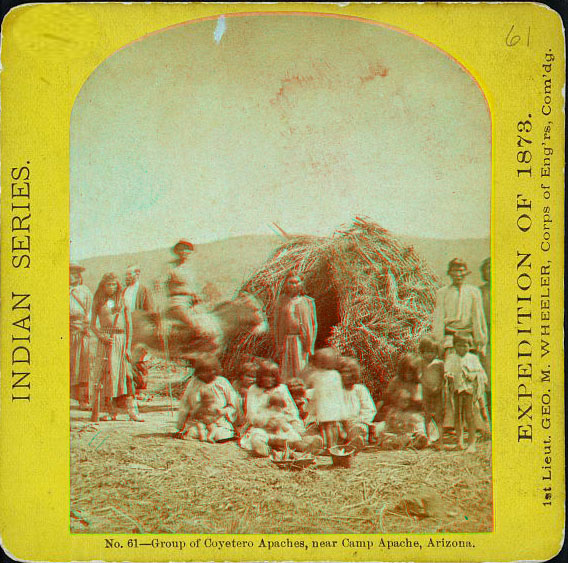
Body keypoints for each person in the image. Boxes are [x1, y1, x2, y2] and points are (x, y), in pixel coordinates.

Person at [240, 360, 322, 457]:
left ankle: (303, 445)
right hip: (261, 426)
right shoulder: (253, 389)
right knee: (258, 435)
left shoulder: (281, 388)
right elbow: (251, 415)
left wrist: (296, 427)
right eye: (265, 376)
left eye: (272, 376)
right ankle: (261, 447)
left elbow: (291, 411)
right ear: (260, 376)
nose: (268, 379)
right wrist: (266, 422)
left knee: (292, 436)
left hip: (281, 424)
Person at [90, 273, 143, 423]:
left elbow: (129, 326)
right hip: (106, 341)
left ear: (117, 285)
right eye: (108, 285)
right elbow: (92, 325)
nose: (111, 287)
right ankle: (111, 411)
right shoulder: (98, 302)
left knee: (126, 375)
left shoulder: (122, 301)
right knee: (108, 376)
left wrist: (127, 347)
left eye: (113, 284)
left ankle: (132, 411)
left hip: (120, 340)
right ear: (103, 286)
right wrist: (101, 336)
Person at [176, 355, 239, 442]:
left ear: (215, 370)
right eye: (203, 371)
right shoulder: (194, 383)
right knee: (193, 433)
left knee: (220, 435)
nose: (206, 374)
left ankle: (211, 435)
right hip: (198, 420)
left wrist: (223, 411)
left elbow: (233, 405)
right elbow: (185, 405)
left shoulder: (222, 383)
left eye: (210, 371)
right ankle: (202, 434)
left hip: (218, 421)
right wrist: (181, 425)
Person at [432, 258, 488, 357]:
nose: (458, 274)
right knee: (451, 366)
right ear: (450, 273)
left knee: (470, 365)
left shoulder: (474, 291)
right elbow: (439, 318)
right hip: (450, 337)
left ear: (466, 272)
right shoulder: (442, 292)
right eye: (455, 271)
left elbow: (478, 317)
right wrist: (438, 341)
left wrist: (480, 339)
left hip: (469, 338)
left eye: (461, 271)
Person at [444, 333, 488, 452]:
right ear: (454, 346)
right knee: (458, 415)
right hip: (457, 390)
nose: (462, 348)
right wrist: (449, 377)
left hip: (469, 391)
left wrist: (472, 375)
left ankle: (472, 442)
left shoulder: (472, 358)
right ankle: (459, 441)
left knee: (470, 415)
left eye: (465, 346)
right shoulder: (451, 357)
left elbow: (480, 373)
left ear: (470, 346)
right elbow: (447, 371)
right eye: (459, 345)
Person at [273, 273, 317, 381]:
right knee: (286, 368)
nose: (294, 285)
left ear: (301, 284)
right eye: (291, 283)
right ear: (286, 285)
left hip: (302, 341)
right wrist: (279, 343)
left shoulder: (308, 301)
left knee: (301, 367)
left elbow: (313, 324)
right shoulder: (281, 301)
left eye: (296, 282)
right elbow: (276, 324)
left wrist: (310, 345)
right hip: (287, 339)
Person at [305, 347, 348, 451]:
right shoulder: (336, 375)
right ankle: (334, 444)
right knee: (333, 426)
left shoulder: (316, 375)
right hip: (334, 405)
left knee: (326, 427)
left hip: (324, 405)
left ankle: (329, 446)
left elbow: (308, 385)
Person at [338, 356, 378, 446]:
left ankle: (355, 441)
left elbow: (369, 409)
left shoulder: (360, 389)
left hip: (356, 421)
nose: (345, 375)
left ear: (354, 373)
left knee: (360, 428)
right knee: (333, 429)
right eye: (342, 372)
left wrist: (359, 419)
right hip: (339, 422)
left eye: (348, 372)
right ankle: (342, 440)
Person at [70, 263, 93, 409]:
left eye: (77, 273)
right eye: (72, 273)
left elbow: (90, 311)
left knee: (82, 366)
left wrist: (86, 326)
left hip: (81, 331)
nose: (75, 276)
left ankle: (83, 400)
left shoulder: (85, 291)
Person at [166, 239, 202, 332]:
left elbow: (193, 286)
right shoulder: (171, 267)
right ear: (177, 252)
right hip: (178, 301)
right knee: (195, 327)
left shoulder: (190, 268)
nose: (184, 252)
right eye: (181, 249)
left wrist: (196, 296)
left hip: (192, 302)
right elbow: (160, 283)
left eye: (187, 249)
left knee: (207, 322)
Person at [417, 335, 446, 448]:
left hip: (438, 393)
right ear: (422, 352)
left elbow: (443, 378)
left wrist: (439, 387)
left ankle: (440, 440)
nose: (430, 355)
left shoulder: (439, 363)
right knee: (427, 415)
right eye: (427, 352)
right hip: (426, 393)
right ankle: (428, 438)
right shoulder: (421, 363)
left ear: (437, 352)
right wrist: (427, 386)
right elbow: (419, 376)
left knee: (439, 416)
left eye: (432, 352)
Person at [479, 258, 491, 410]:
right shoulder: (479, 292)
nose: (489, 271)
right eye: (487, 268)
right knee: (486, 373)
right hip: (485, 336)